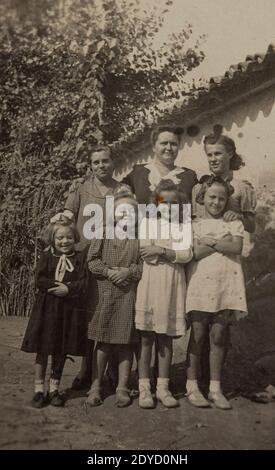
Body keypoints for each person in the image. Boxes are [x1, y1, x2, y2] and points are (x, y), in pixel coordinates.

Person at [123, 125, 198, 381]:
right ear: (153, 145)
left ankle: (163, 383)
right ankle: (131, 379)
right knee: (141, 322)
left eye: (173, 144)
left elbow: (196, 210)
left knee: (165, 323)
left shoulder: (188, 176)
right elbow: (120, 199)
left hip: (175, 249)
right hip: (143, 248)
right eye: (163, 143)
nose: (168, 148)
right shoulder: (139, 173)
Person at [64, 145, 124, 390]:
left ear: (113, 162)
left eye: (105, 161)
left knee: (108, 314)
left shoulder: (122, 190)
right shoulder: (81, 189)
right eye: (96, 162)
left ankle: (107, 372)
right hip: (84, 259)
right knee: (87, 317)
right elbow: (68, 214)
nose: (101, 166)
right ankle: (85, 369)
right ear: (91, 165)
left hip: (111, 259)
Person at [185, 176, 248, 410]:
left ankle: (215, 388)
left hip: (225, 286)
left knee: (219, 336)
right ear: (203, 197)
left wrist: (210, 243)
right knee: (198, 334)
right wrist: (219, 243)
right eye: (212, 196)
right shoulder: (195, 224)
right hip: (201, 284)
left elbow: (236, 247)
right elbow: (195, 253)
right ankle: (192, 386)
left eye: (222, 198)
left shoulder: (234, 224)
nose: (217, 202)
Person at [135, 180, 193, 408]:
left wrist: (161, 250)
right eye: (163, 202)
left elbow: (186, 255)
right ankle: (144, 388)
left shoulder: (184, 227)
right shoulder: (148, 224)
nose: (168, 207)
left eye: (174, 203)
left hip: (172, 285)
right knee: (147, 336)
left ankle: (162, 387)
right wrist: (170, 253)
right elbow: (145, 253)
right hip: (151, 283)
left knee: (166, 337)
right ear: (155, 204)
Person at [21, 215, 88, 408]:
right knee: (43, 349)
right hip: (47, 309)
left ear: (74, 237)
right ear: (53, 239)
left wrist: (69, 289)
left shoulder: (79, 258)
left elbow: (83, 282)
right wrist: (56, 287)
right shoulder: (47, 255)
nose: (64, 241)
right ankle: (39, 390)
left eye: (68, 237)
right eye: (59, 238)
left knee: (60, 350)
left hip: (68, 311)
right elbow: (40, 280)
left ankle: (54, 389)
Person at [85, 188, 142, 407]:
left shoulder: (138, 238)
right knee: (104, 342)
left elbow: (144, 265)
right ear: (113, 214)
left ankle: (122, 387)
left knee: (126, 342)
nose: (126, 216)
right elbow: (92, 261)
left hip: (128, 295)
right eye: (121, 212)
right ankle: (96, 385)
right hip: (106, 294)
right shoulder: (103, 233)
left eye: (131, 212)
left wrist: (128, 272)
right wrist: (109, 272)